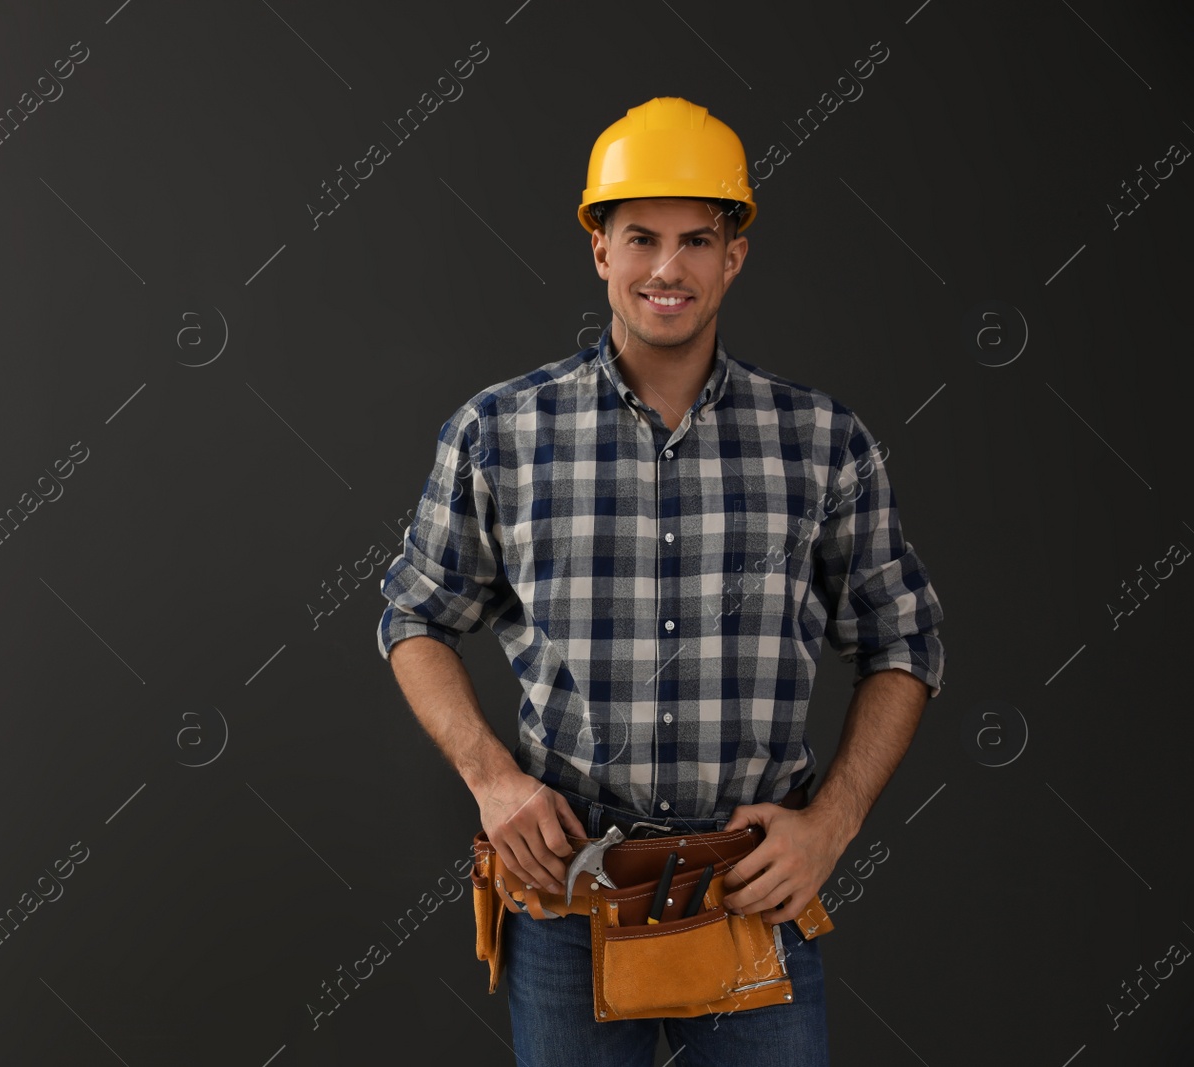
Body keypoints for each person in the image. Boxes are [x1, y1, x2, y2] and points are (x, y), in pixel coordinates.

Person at [374, 96, 946, 1065]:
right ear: (600, 249)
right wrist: (492, 779)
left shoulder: (821, 443)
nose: (667, 268)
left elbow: (906, 641)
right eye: (640, 237)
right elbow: (412, 616)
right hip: (567, 900)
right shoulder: (500, 434)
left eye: (697, 239)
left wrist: (831, 825)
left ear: (735, 257)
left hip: (753, 898)